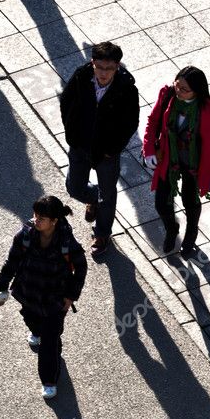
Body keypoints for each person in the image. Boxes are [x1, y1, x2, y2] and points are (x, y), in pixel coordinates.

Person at [0, 195, 87, 399]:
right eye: (36, 215)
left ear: (54, 221)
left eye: (42, 217)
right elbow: (12, 262)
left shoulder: (66, 242)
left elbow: (81, 268)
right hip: (28, 295)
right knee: (33, 323)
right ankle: (38, 331)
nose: (36, 220)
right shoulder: (25, 236)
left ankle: (49, 380)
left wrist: (71, 296)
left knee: (50, 342)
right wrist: (1, 287)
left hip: (55, 300)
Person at [59, 42, 139, 259]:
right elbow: (66, 103)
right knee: (74, 187)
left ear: (117, 66)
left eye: (109, 68)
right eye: (100, 67)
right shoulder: (81, 77)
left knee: (108, 194)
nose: (103, 73)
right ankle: (91, 199)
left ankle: (102, 234)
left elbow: (130, 123)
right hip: (80, 146)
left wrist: (112, 149)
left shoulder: (126, 89)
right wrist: (72, 135)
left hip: (106, 153)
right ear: (93, 63)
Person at [142, 66, 210, 257]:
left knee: (190, 200)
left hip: (194, 164)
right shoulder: (167, 95)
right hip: (169, 159)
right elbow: (153, 122)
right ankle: (172, 229)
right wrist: (149, 150)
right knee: (161, 202)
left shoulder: (206, 110)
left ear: (197, 91)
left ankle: (191, 233)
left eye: (185, 90)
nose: (179, 91)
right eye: (178, 85)